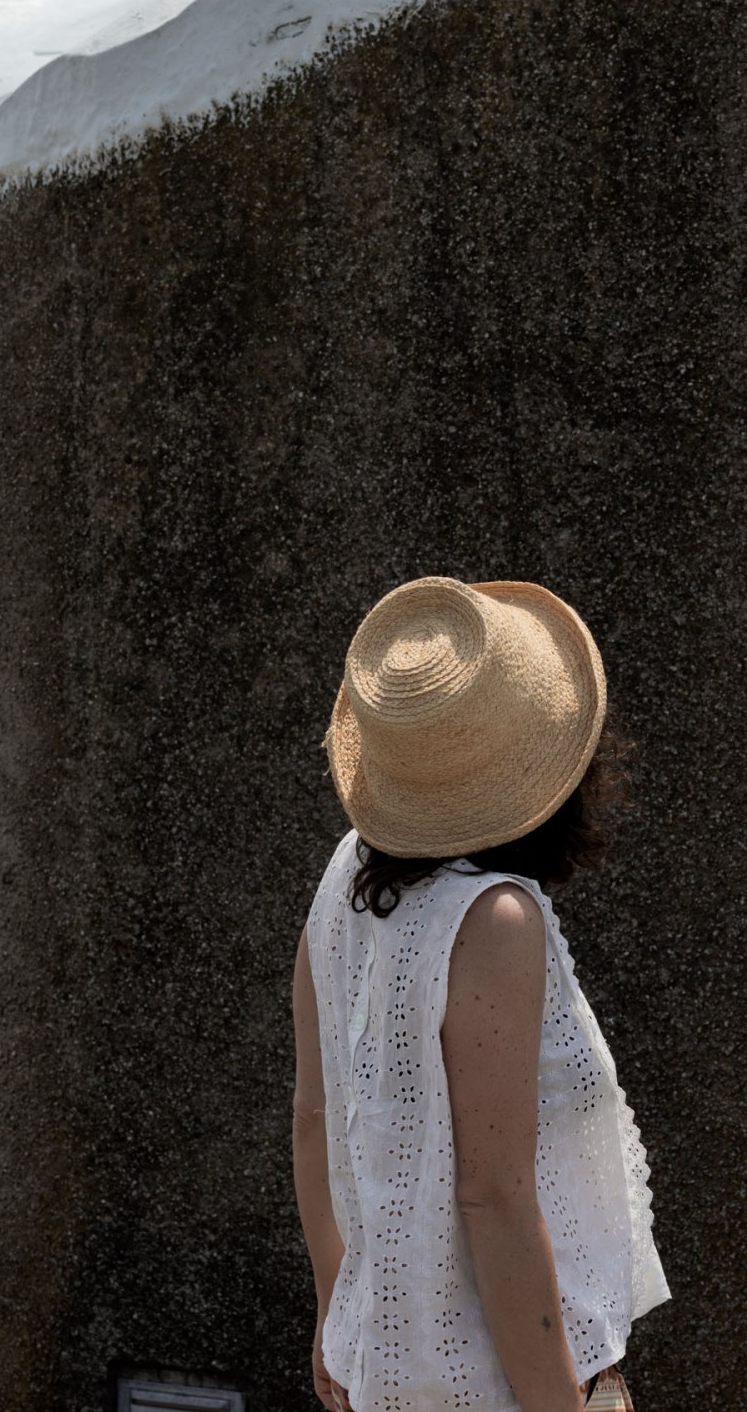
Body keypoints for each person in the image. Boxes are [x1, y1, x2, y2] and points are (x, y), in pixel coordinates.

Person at [291, 576, 671, 1412]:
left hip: (381, 1380)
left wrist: (338, 1317)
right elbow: (492, 1194)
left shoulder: (346, 877)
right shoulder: (494, 920)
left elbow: (315, 1116)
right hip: (508, 1388)